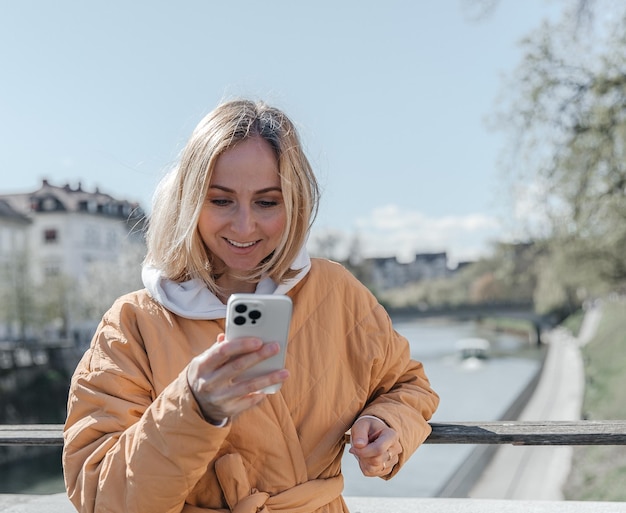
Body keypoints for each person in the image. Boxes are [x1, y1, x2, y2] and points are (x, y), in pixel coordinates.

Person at [62, 99, 439, 513]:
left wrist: (388, 425)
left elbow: (408, 385)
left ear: (295, 204)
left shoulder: (337, 292)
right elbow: (98, 495)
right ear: (189, 201)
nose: (244, 227)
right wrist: (193, 408)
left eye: (267, 202)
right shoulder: (132, 324)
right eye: (221, 200)